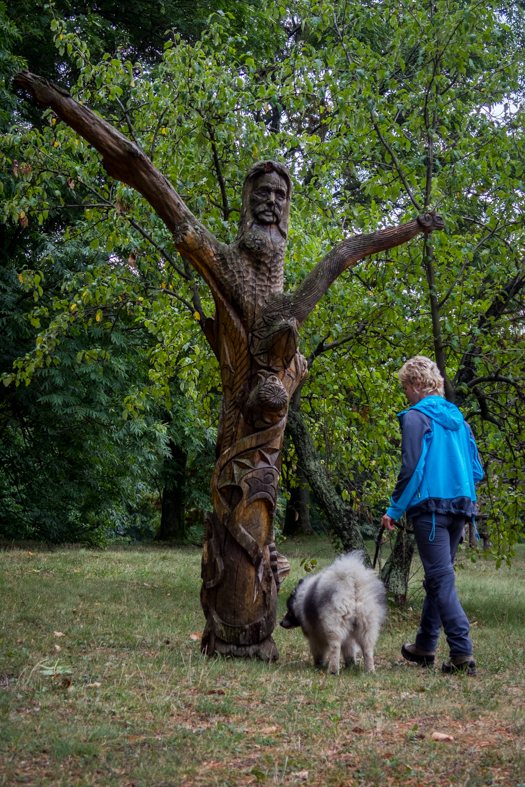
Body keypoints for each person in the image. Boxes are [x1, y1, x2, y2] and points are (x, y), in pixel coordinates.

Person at [382, 356, 484, 675]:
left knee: (440, 580)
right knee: (437, 579)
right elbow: (477, 470)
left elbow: (412, 468)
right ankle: (425, 645)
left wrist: (394, 509)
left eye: (405, 387)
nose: (405, 394)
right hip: (461, 508)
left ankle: (461, 653)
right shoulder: (460, 420)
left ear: (415, 385)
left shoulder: (416, 417)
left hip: (431, 511)